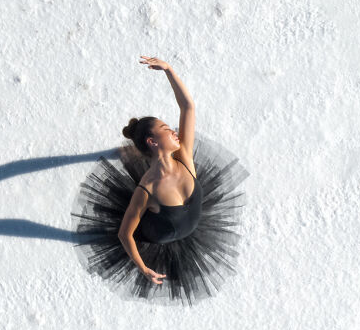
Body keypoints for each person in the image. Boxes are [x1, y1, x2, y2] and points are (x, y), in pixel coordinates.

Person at [71, 56, 250, 306]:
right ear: (152, 142)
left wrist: (169, 70)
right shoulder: (147, 189)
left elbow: (188, 108)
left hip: (191, 225)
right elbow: (125, 234)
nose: (174, 132)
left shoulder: (185, 156)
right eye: (167, 130)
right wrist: (143, 268)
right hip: (156, 237)